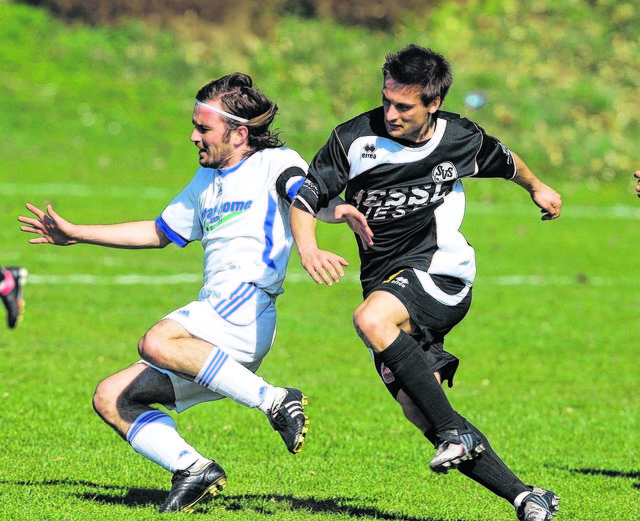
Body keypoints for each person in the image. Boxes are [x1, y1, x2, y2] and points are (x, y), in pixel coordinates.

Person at [18, 73, 314, 514]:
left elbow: (306, 192)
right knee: (113, 396)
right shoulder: (206, 181)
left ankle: (274, 400)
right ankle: (193, 469)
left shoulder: (275, 162)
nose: (193, 136)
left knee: (156, 341)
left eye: (203, 128)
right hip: (215, 330)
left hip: (247, 307)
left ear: (239, 132)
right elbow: (159, 230)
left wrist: (332, 216)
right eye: (194, 125)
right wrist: (77, 233)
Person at [289, 44, 562, 521]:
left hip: (441, 272)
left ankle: (457, 436)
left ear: (432, 103)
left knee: (370, 319)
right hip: (385, 280)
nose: (390, 113)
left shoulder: (458, 137)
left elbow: (504, 159)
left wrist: (538, 186)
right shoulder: (354, 138)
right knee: (423, 411)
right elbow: (306, 195)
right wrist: (309, 245)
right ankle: (526, 497)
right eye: (386, 100)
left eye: (404, 105)